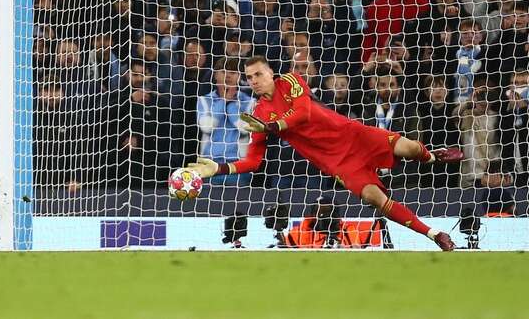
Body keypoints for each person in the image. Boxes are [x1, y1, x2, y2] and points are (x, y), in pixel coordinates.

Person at [186, 56, 464, 251]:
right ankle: (434, 234)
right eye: (249, 77)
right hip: (338, 164)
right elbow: (253, 161)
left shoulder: (291, 82)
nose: (254, 81)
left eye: (258, 74)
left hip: (354, 135)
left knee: (411, 148)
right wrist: (218, 168)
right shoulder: (258, 115)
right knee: (376, 199)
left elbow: (303, 112)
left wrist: (275, 125)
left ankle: (432, 157)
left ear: (271, 73)